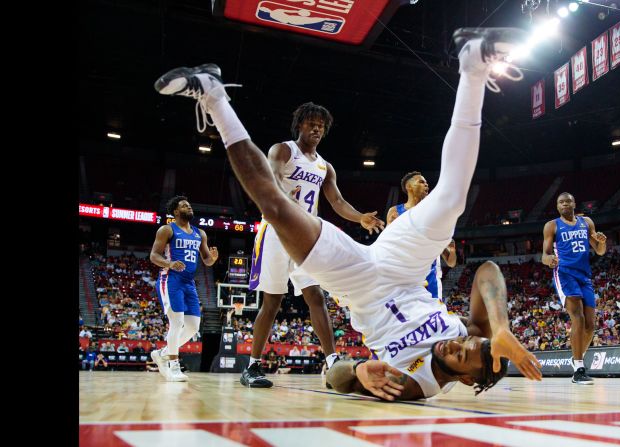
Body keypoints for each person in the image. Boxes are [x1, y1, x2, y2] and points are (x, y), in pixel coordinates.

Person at [154, 27, 541, 401]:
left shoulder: (412, 384)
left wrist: (356, 373)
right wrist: (501, 328)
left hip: (360, 284)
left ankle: (214, 95)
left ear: (467, 380)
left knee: (273, 207)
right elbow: (488, 270)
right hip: (404, 268)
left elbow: (336, 378)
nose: (456, 343)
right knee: (454, 198)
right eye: (466, 341)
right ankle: (473, 65)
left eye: (460, 355)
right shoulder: (476, 335)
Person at [242, 101, 385, 388]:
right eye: (311, 122)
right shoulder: (283, 149)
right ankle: (253, 366)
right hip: (276, 229)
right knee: (272, 301)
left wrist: (361, 219)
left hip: (306, 234)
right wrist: (285, 196)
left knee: (315, 296)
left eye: (321, 124)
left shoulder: (324, 167)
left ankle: (331, 361)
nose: (317, 127)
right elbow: (269, 176)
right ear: (300, 125)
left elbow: (338, 202)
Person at [149, 196, 219, 381]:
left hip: (189, 282)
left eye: (189, 204)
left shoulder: (199, 233)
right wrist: (169, 263)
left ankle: (162, 353)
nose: (188, 206)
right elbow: (154, 256)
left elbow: (206, 261)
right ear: (176, 212)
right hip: (170, 279)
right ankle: (173, 366)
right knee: (177, 322)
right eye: (184, 205)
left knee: (193, 326)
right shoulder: (166, 229)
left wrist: (212, 258)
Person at [542, 196, 606, 385]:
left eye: (568, 202)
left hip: (584, 275)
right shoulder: (551, 226)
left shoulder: (586, 223)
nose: (564, 204)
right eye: (561, 202)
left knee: (591, 325)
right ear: (557, 206)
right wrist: (549, 260)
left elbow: (600, 251)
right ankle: (579, 369)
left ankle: (577, 356)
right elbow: (544, 255)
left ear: (574, 204)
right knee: (577, 317)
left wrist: (602, 242)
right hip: (564, 273)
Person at [387, 171, 457, 301]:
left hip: (430, 277)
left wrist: (451, 251)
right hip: (404, 276)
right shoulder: (395, 212)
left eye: (426, 182)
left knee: (433, 318)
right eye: (421, 182)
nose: (426, 184)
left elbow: (451, 262)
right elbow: (388, 246)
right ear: (409, 187)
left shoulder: (435, 215)